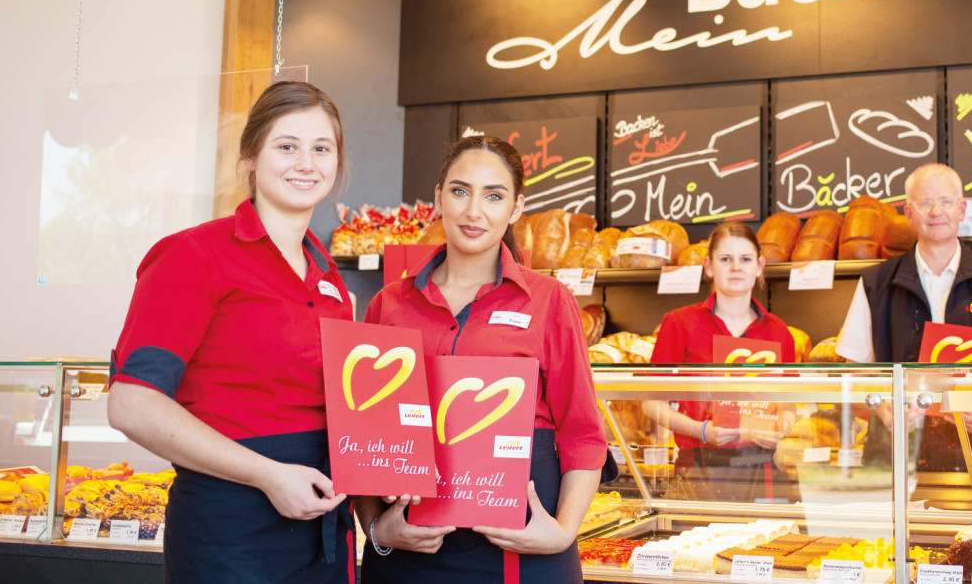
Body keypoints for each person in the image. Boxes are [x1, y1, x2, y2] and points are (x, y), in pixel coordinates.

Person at [107, 81, 355, 583]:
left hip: (323, 528)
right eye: (287, 146)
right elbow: (131, 404)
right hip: (230, 529)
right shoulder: (193, 256)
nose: (306, 163)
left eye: (321, 149)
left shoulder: (328, 276)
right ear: (250, 157)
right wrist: (268, 475)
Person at [358, 135, 606, 584]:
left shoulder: (550, 301)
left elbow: (583, 433)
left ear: (515, 209)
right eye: (459, 191)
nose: (474, 212)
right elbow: (364, 436)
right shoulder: (388, 304)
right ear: (438, 197)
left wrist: (563, 532)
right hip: (409, 551)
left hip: (521, 548)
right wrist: (376, 527)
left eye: (494, 196)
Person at [836, 163, 972, 433]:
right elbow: (856, 373)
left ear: (961, 210)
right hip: (898, 451)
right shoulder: (875, 283)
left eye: (946, 202)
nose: (936, 212)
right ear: (909, 214)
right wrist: (881, 406)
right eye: (924, 203)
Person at [642, 221, 798, 500]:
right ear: (709, 266)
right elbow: (652, 403)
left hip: (762, 471)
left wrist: (780, 428)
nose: (736, 267)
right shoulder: (679, 323)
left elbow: (789, 405)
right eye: (726, 259)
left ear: (759, 266)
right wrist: (701, 431)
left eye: (745, 259)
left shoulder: (779, 332)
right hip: (698, 469)